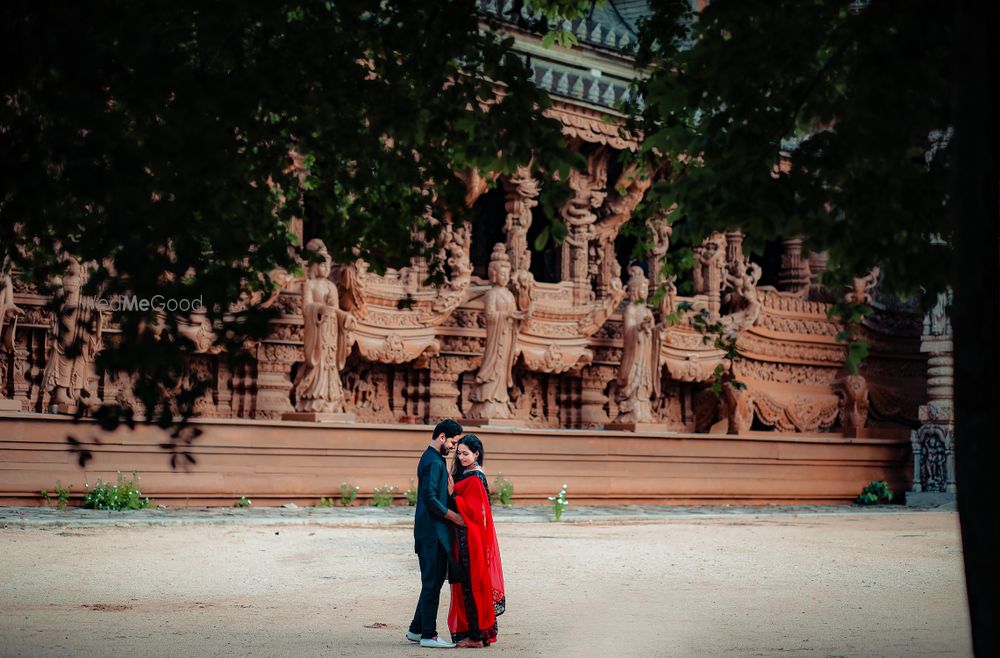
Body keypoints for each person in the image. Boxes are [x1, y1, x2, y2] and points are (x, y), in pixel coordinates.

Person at [408, 419, 466, 649]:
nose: (453, 447)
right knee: (432, 583)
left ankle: (416, 629)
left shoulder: (434, 460)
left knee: (431, 581)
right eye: (453, 442)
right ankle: (429, 636)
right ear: (442, 437)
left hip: (431, 531)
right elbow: (430, 498)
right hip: (431, 532)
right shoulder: (433, 462)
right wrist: (455, 517)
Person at [447, 435, 506, 648]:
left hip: (471, 539)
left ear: (476, 454)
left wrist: (453, 495)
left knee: (473, 585)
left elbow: (474, 510)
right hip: (465, 537)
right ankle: (479, 633)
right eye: (459, 453)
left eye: (466, 453)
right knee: (469, 584)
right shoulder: (467, 473)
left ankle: (476, 636)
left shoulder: (476, 477)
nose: (461, 457)